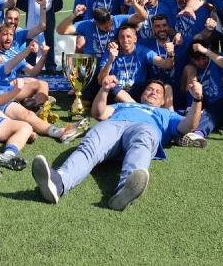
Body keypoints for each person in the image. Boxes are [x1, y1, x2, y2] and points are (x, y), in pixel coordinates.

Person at [31, 77, 204, 210]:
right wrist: (104, 90)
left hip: (144, 128)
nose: (153, 92)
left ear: (163, 101)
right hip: (113, 126)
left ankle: (125, 191)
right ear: (142, 94)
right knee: (91, 143)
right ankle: (58, 182)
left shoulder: (166, 114)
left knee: (143, 139)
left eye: (158, 92)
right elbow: (99, 113)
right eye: (149, 89)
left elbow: (188, 126)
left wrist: (197, 100)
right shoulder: (125, 105)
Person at [97, 24, 174, 99]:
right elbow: (101, 81)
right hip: (116, 94)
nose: (125, 40)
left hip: (138, 91)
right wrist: (110, 61)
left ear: (135, 39)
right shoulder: (111, 52)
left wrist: (170, 54)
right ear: (118, 39)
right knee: (113, 88)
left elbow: (166, 65)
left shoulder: (143, 51)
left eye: (128, 36)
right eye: (122, 37)